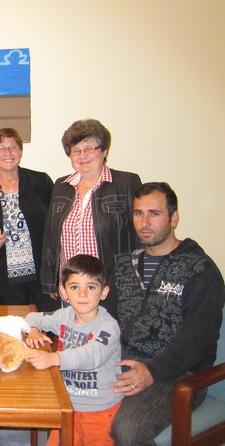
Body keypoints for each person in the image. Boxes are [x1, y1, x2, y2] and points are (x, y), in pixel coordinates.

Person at [109, 182, 224, 445]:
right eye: (138, 213)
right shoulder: (123, 264)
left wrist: (151, 371)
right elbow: (107, 319)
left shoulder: (200, 270)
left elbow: (196, 342)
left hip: (177, 375)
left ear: (174, 218)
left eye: (154, 213)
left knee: (128, 429)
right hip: (122, 362)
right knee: (66, 396)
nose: (144, 222)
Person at [41, 118, 141, 315]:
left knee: (109, 341)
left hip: (111, 287)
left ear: (104, 150)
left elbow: (139, 236)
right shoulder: (61, 186)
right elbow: (51, 237)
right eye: (76, 150)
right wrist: (51, 281)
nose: (82, 155)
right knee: (77, 341)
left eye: (89, 148)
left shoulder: (126, 183)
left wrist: (134, 282)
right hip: (72, 288)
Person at [25, 254, 122, 446]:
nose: (82, 294)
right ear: (63, 292)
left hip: (99, 408)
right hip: (66, 403)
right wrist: (34, 331)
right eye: (74, 287)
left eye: (91, 287)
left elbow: (92, 355)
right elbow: (32, 316)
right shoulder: (64, 315)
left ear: (104, 292)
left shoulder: (108, 326)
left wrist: (54, 358)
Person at [0, 128, 55, 309]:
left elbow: (57, 223)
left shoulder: (41, 182)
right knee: (14, 330)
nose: (8, 153)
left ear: (20, 151)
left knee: (48, 330)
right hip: (5, 277)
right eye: (1, 148)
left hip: (42, 272)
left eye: (13, 147)